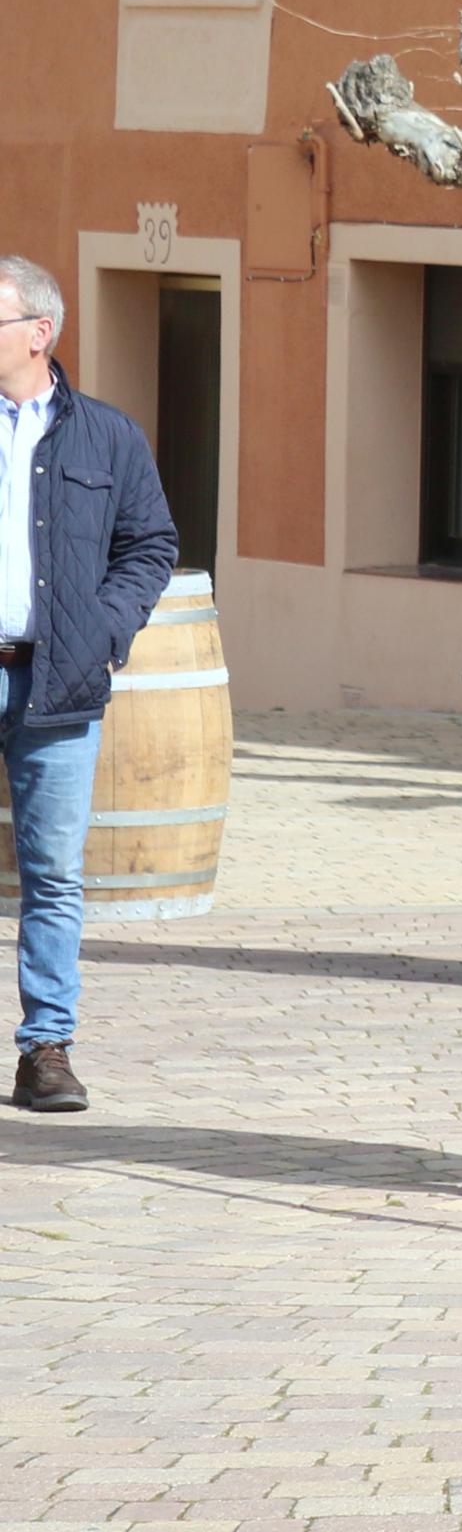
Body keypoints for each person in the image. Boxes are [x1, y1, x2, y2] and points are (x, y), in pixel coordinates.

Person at [0, 256, 177, 1115]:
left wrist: (104, 631)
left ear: (41, 331)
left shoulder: (107, 434)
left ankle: (47, 1050)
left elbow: (151, 544)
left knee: (54, 875)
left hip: (58, 681)